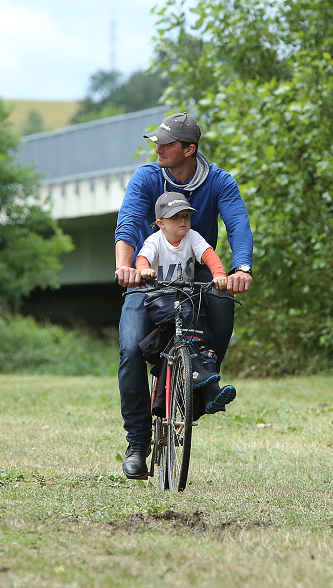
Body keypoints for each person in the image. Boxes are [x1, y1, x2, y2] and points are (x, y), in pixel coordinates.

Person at [114, 112, 253, 480]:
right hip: (148, 277)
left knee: (223, 304)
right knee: (130, 348)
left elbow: (238, 225)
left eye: (167, 144)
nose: (157, 149)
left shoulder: (220, 182)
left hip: (198, 278)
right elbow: (128, 222)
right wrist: (126, 267)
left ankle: (201, 385)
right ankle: (137, 441)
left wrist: (241, 269)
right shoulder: (147, 177)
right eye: (156, 143)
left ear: (189, 150)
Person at [135, 191, 237, 417]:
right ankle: (198, 379)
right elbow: (142, 259)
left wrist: (219, 274)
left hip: (187, 296)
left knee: (205, 332)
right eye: (175, 217)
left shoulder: (192, 237)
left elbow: (209, 255)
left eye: (186, 216)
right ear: (160, 224)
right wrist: (144, 270)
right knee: (189, 315)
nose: (183, 221)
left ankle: (210, 395)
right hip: (160, 297)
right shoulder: (155, 241)